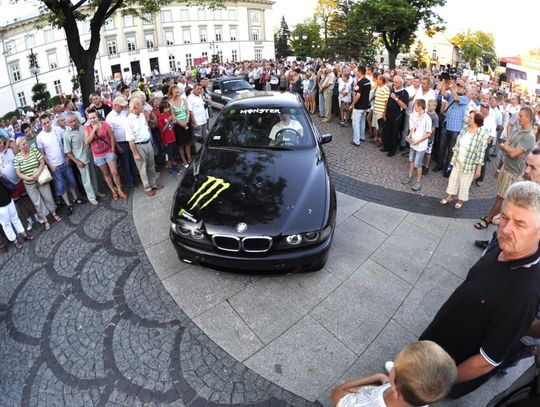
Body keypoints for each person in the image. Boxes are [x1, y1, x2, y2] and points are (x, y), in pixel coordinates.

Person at [420, 181, 540, 399]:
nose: (506, 229)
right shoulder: (503, 246)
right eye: (505, 218)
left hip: (449, 366)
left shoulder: (523, 296)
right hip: (438, 340)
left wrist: (440, 383)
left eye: (520, 224)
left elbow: (487, 360)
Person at [332, 341, 456, 407]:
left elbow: (336, 394)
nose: (393, 366)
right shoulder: (425, 395)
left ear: (396, 391)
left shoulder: (357, 404)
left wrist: (375, 377)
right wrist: (383, 378)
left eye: (394, 367)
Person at [474, 107, 536, 229]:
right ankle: (493, 216)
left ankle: (488, 219)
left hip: (513, 172)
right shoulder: (518, 129)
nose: (518, 118)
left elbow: (513, 154)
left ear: (528, 118)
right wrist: (509, 149)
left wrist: (509, 149)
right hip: (506, 167)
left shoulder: (529, 136)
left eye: (521, 116)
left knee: (502, 197)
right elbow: (504, 145)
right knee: (500, 195)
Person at [440, 111, 486, 209]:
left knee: (464, 183)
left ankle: (461, 200)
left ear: (476, 121)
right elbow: (458, 142)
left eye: (470, 118)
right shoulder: (465, 128)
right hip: (457, 159)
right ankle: (450, 196)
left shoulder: (481, 134)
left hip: (469, 163)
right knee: (453, 179)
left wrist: (479, 168)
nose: (468, 119)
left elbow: (481, 153)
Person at [36, 113, 80, 215]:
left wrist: (67, 157)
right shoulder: (39, 137)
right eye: (44, 123)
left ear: (50, 121)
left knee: (71, 181)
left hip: (65, 162)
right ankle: (68, 204)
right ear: (41, 124)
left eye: (48, 122)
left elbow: (66, 143)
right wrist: (50, 165)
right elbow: (42, 154)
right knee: (61, 186)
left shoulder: (58, 129)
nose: (47, 124)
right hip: (54, 166)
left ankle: (76, 198)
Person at [14, 137, 61, 231]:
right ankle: (45, 219)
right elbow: (18, 173)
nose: (26, 145)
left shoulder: (34, 151)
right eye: (23, 144)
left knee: (48, 197)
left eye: (26, 142)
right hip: (29, 184)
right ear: (19, 147)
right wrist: (29, 178)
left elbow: (42, 162)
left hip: (41, 178)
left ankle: (54, 213)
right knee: (37, 202)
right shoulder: (17, 158)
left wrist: (38, 173)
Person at [84, 109, 127, 201]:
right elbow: (87, 141)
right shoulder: (87, 128)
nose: (92, 120)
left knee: (114, 172)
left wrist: (113, 149)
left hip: (108, 152)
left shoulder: (105, 124)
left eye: (94, 117)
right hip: (98, 155)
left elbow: (111, 136)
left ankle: (119, 190)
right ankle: (113, 191)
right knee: (106, 174)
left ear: (98, 117)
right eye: (90, 118)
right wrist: (94, 130)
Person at [126, 98, 162, 197]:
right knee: (142, 168)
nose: (143, 107)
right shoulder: (129, 120)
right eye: (141, 105)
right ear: (135, 107)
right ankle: (147, 187)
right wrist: (135, 153)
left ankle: (153, 184)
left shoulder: (141, 115)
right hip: (138, 146)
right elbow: (130, 140)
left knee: (151, 165)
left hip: (148, 143)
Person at [64, 114, 99, 205]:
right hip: (81, 159)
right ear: (67, 123)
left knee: (93, 175)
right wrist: (77, 162)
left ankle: (96, 192)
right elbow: (68, 152)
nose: (73, 123)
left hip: (90, 155)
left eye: (74, 120)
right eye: (71, 122)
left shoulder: (83, 127)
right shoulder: (67, 134)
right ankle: (91, 197)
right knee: (86, 179)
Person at [106, 96, 139, 190]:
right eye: (121, 106)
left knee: (132, 161)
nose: (122, 107)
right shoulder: (110, 117)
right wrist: (117, 146)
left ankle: (136, 180)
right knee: (125, 164)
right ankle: (129, 183)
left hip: (129, 140)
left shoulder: (124, 113)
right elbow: (111, 134)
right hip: (121, 143)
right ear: (115, 105)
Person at [402, 100, 432, 192]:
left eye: (415, 105)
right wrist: (409, 135)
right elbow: (413, 128)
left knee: (418, 164)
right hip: (413, 143)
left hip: (420, 146)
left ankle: (418, 182)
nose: (414, 107)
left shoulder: (427, 118)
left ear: (420, 106)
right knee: (411, 160)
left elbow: (429, 134)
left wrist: (418, 141)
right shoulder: (415, 115)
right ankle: (410, 176)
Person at [0, 179, 33, 250]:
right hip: (1, 207)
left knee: (15, 218)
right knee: (6, 224)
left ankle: (23, 234)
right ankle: (15, 241)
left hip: (8, 199)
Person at [381, 75, 409, 156]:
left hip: (397, 117)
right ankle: (386, 147)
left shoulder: (404, 93)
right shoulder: (392, 90)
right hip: (389, 115)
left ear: (401, 83)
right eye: (394, 82)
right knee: (387, 132)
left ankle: (392, 150)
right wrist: (384, 112)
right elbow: (387, 102)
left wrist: (396, 98)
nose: (394, 84)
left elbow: (405, 106)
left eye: (396, 82)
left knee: (394, 134)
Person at [169, 85, 192, 167]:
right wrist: (181, 123)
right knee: (181, 144)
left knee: (188, 143)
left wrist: (187, 121)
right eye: (175, 92)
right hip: (178, 126)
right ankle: (184, 161)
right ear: (171, 92)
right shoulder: (169, 103)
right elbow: (173, 115)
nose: (177, 94)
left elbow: (187, 111)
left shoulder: (183, 99)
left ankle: (190, 159)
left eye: (178, 92)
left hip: (187, 123)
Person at [350, 66, 371, 146]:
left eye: (357, 71)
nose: (356, 73)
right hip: (365, 105)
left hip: (359, 106)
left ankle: (356, 140)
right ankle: (362, 136)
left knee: (355, 123)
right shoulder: (368, 81)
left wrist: (352, 104)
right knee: (362, 122)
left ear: (359, 72)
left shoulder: (360, 82)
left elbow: (358, 95)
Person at [157, 100, 179, 174]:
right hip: (167, 139)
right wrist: (169, 121)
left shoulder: (168, 115)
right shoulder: (160, 118)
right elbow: (162, 130)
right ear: (162, 109)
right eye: (166, 108)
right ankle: (170, 168)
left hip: (172, 137)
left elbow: (171, 126)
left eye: (168, 107)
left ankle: (173, 166)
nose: (168, 109)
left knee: (172, 153)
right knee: (169, 154)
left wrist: (173, 122)